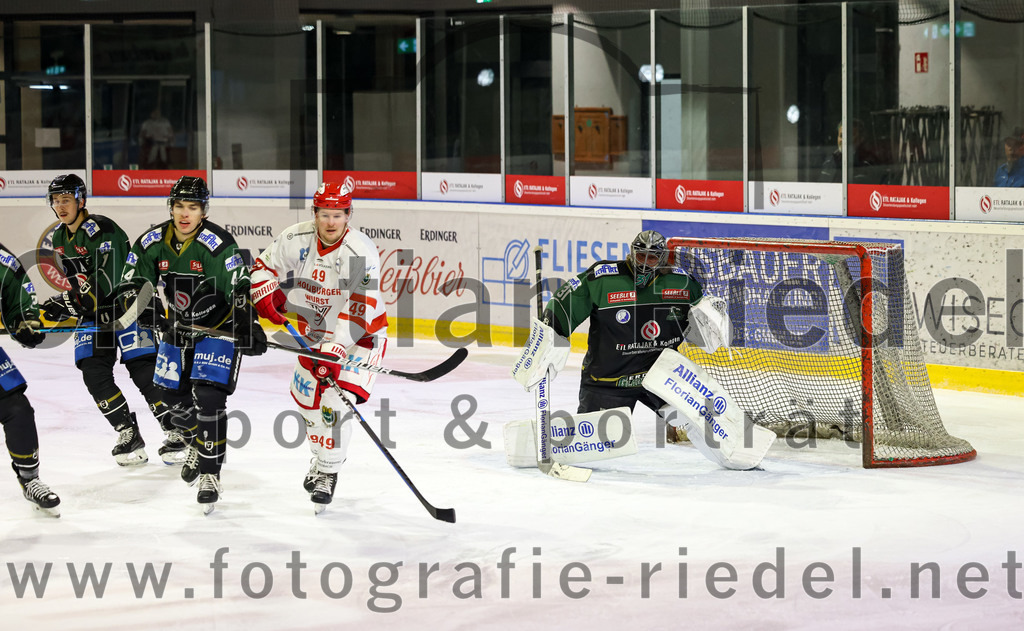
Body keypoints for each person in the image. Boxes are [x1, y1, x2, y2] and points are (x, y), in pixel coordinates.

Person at [116, 175, 267, 513]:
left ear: (204, 211)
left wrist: (247, 323)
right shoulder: (152, 241)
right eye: (180, 206)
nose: (185, 214)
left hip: (218, 329)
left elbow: (238, 288)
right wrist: (147, 307)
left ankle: (210, 475)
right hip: (178, 328)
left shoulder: (216, 243)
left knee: (210, 399)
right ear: (171, 207)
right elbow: (131, 284)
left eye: (193, 207)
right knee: (171, 399)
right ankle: (200, 441)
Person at [250, 182, 387, 512]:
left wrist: (337, 348)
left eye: (338, 215)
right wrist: (264, 294)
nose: (330, 223)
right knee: (307, 405)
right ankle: (322, 458)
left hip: (360, 341)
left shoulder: (359, 252)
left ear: (348, 215)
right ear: (314, 214)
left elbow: (359, 307)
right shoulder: (296, 238)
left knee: (333, 406)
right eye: (324, 214)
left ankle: (328, 472)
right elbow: (262, 267)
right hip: (312, 336)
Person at [40, 174, 181, 468]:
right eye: (56, 200)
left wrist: (65, 304)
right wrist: (71, 303)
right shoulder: (57, 237)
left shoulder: (102, 230)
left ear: (81, 200)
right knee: (93, 371)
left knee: (143, 370)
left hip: (129, 307)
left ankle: (175, 430)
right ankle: (127, 432)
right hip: (93, 314)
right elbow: (78, 286)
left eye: (66, 199)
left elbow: (105, 282)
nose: (61, 206)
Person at [513, 230, 704, 443]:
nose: (645, 263)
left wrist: (711, 319)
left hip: (662, 380)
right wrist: (547, 339)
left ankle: (676, 427)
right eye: (641, 256)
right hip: (609, 381)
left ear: (661, 259)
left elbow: (702, 320)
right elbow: (563, 304)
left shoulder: (681, 283)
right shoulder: (604, 279)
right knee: (596, 443)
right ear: (632, 253)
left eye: (652, 258)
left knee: (704, 433)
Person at [0, 242, 61, 516]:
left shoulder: (2, 259)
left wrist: (25, 323)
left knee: (17, 408)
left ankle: (29, 478)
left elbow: (19, 303)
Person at [820, 119, 888, 185]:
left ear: (861, 138)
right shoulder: (829, 161)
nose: (844, 140)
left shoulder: (869, 162)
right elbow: (822, 188)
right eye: (841, 136)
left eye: (849, 136)